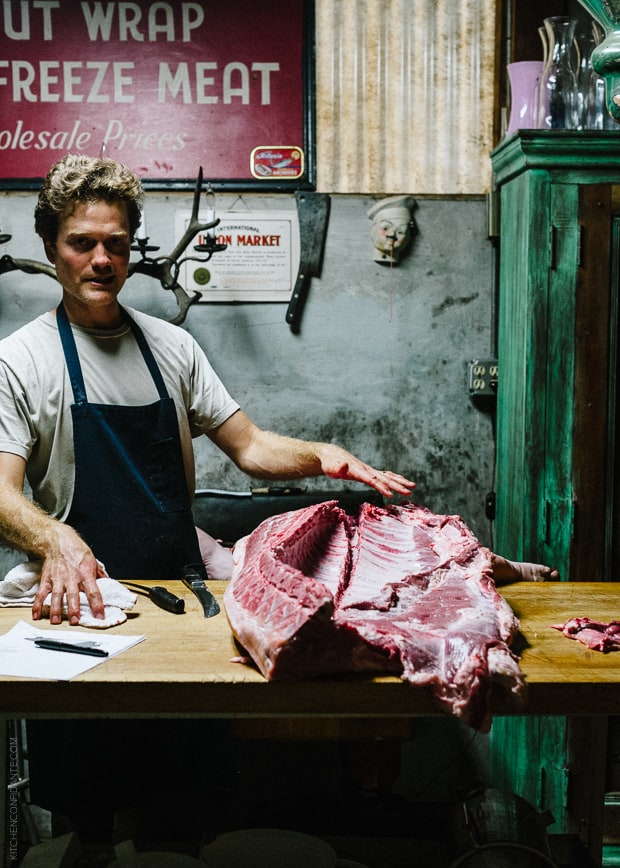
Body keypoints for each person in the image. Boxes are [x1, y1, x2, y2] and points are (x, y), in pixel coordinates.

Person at [0, 155, 555, 854]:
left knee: (181, 810)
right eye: (83, 243)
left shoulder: (170, 348)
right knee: (92, 818)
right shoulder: (21, 359)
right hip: (85, 612)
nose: (102, 259)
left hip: (182, 604)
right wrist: (56, 539)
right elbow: (2, 492)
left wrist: (325, 455)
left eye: (116, 242)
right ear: (52, 246)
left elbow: (251, 445)